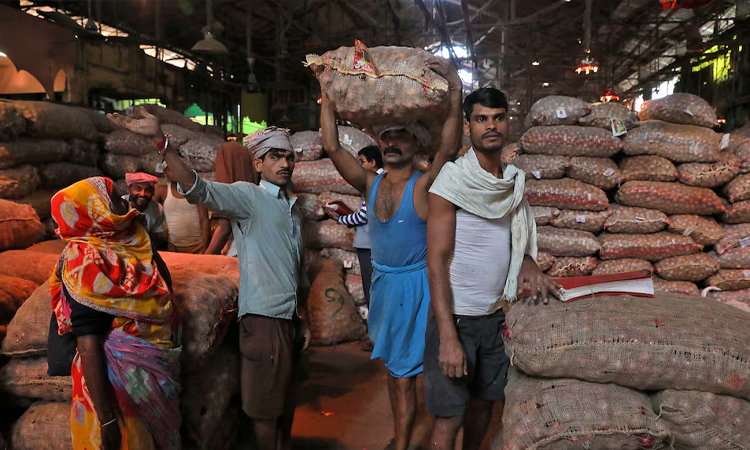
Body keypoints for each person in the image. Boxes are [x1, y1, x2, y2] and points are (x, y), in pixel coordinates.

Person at [107, 108, 311, 450]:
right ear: (258, 164)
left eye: (289, 157)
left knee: (287, 403)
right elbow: (196, 188)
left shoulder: (291, 209)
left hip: (288, 320)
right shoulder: (249, 196)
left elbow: (298, 268)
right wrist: (162, 143)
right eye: (275, 156)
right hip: (263, 321)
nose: (285, 163)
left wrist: (302, 318)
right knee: (264, 412)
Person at [317, 56, 463, 450]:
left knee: (407, 378)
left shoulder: (423, 184)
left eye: (401, 136)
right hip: (383, 287)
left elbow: (449, 147)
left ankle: (402, 445)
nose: (392, 142)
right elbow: (330, 145)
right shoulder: (370, 183)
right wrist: (326, 90)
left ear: (416, 144)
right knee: (394, 373)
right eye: (387, 137)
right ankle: (400, 439)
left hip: (418, 288)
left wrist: (456, 89)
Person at [425, 87, 562, 450]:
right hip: (455, 318)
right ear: (468, 126)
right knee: (449, 415)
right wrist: (448, 338)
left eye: (498, 117)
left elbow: (519, 236)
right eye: (481, 118)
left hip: (495, 315)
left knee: (484, 405)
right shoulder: (451, 182)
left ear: (507, 123)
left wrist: (529, 264)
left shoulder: (513, 182)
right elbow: (435, 260)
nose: (491, 126)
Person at [50, 176, 180, 450]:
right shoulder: (84, 258)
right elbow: (87, 343)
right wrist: (107, 419)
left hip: (154, 365)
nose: (121, 202)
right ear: (94, 209)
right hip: (116, 376)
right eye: (111, 199)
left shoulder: (135, 239)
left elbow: (165, 288)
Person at [323, 145, 384, 327]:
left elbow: (364, 215)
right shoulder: (386, 180)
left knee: (371, 290)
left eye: (362, 162)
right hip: (380, 243)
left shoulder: (372, 182)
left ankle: (376, 335)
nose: (358, 166)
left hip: (369, 244)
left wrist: (341, 218)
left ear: (373, 163)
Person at [205, 141, 258, 256]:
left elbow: (224, 229)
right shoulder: (256, 191)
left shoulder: (230, 191)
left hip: (239, 253)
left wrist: (204, 259)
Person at [153, 182, 211, 254]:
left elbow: (204, 219)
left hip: (197, 247)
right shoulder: (162, 190)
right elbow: (147, 208)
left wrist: (205, 247)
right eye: (168, 171)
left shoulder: (197, 191)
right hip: (173, 248)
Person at [123, 172, 167, 246]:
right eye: (138, 189)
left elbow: (155, 236)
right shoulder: (119, 205)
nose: (142, 194)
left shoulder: (157, 209)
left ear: (153, 192)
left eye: (148, 190)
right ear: (129, 190)